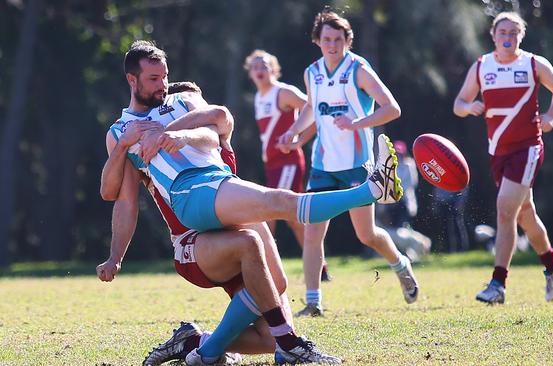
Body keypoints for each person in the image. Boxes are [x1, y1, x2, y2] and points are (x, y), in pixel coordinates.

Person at [99, 40, 364, 364]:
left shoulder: (180, 105)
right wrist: (115, 257)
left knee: (271, 326)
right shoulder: (123, 130)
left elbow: (216, 125)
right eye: (154, 79)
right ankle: (289, 347)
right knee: (255, 240)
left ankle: (198, 343)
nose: (162, 86)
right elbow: (118, 198)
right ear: (132, 80)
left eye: (165, 77)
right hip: (193, 240)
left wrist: (173, 133)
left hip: (229, 215)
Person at [277, 10, 419, 317]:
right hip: (322, 165)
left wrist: (358, 123)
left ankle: (400, 264)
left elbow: (391, 108)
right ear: (317, 40)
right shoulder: (311, 72)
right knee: (313, 234)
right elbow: (312, 109)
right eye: (326, 39)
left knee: (366, 235)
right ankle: (313, 302)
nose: (332, 45)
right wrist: (293, 130)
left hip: (357, 165)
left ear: (347, 40)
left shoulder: (359, 69)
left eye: (338, 40)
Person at [453, 12, 553, 304]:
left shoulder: (532, 63)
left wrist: (551, 115)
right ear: (493, 35)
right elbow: (458, 103)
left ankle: (498, 284)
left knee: (505, 209)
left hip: (528, 147)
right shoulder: (482, 66)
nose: (508, 37)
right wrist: (469, 107)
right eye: (503, 32)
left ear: (521, 36)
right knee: (524, 214)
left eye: (514, 32)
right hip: (499, 151)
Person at [244, 50, 332, 281]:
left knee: (270, 211)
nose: (260, 69)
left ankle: (263, 268)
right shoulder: (259, 98)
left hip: (288, 163)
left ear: (274, 68)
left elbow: (314, 110)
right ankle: (320, 267)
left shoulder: (283, 92)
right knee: (294, 219)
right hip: (272, 164)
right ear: (250, 73)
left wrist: (300, 140)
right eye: (255, 66)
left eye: (264, 65)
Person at [376, 140, 431, 261]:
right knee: (395, 230)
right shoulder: (388, 165)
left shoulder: (409, 164)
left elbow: (410, 184)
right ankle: (399, 254)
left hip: (404, 202)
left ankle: (411, 252)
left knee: (403, 230)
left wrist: (396, 193)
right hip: (391, 203)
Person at [431, 186, 470, 252]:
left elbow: (463, 188)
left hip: (454, 201)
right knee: (444, 228)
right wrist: (435, 201)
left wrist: (460, 202)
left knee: (456, 227)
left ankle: (461, 248)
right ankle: (447, 249)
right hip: (441, 202)